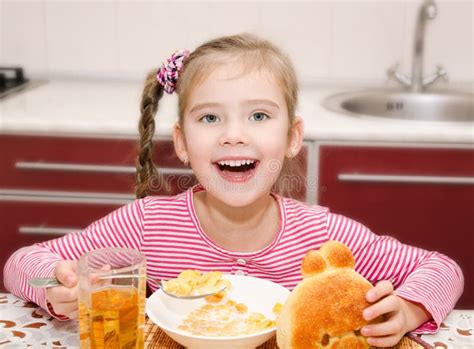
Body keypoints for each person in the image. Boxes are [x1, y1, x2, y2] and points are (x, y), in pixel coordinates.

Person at [4, 33, 463, 347]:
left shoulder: (322, 236)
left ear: (292, 137)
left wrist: (408, 306)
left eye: (259, 116)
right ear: (182, 143)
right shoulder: (146, 225)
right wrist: (58, 287)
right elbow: (21, 263)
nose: (234, 135)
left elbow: (442, 269)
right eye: (209, 118)